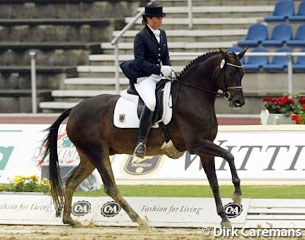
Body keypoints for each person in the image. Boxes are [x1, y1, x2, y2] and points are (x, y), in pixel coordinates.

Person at [120, 1, 174, 159]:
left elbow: (165, 55)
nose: (160, 21)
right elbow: (139, 62)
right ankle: (141, 142)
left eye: (161, 18)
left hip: (159, 75)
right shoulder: (140, 37)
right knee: (151, 102)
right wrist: (159, 69)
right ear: (148, 19)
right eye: (157, 18)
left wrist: (168, 69)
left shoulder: (162, 34)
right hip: (144, 77)